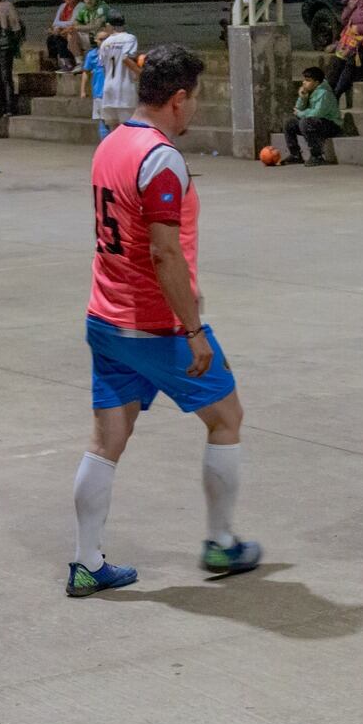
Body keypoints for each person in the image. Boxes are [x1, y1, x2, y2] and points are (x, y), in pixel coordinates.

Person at [68, 44, 263, 597]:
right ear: (177, 100)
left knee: (106, 441)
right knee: (226, 416)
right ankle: (222, 541)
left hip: (105, 318)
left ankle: (86, 562)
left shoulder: (110, 143)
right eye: (195, 98)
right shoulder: (161, 159)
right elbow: (164, 254)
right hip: (155, 326)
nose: (196, 108)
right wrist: (193, 330)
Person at [283, 66, 344, 166]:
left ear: (316, 82)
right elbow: (298, 109)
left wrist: (300, 113)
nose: (304, 83)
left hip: (331, 125)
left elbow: (318, 113)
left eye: (308, 80)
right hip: (316, 122)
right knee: (289, 122)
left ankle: (317, 156)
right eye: (304, 80)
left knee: (305, 122)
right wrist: (302, 97)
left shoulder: (324, 93)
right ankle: (295, 155)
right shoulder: (309, 91)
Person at [96, 15, 142, 135]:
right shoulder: (129, 38)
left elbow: (102, 64)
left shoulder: (105, 43)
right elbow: (126, 58)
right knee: (128, 129)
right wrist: (141, 73)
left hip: (109, 88)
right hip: (124, 88)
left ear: (109, 25)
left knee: (113, 130)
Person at [82, 27, 110, 139]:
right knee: (103, 120)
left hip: (112, 91)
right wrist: (83, 90)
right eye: (101, 39)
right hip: (99, 91)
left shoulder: (113, 54)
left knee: (113, 121)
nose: (103, 42)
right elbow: (86, 72)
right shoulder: (92, 55)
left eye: (106, 39)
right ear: (96, 41)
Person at [47, 0, 82, 72]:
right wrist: (56, 28)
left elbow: (73, 22)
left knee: (59, 37)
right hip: (63, 31)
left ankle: (68, 63)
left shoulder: (80, 6)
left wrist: (59, 27)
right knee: (51, 38)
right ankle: (55, 63)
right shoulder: (63, 6)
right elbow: (55, 22)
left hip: (75, 32)